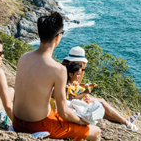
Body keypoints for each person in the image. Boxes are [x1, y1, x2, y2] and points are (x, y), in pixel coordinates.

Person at [13, 12, 101, 141]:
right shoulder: (58, 69)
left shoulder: (23, 58)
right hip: (38, 125)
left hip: (17, 122)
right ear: (58, 37)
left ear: (38, 35)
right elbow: (63, 112)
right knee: (96, 132)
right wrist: (82, 122)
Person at [63, 46, 140, 131]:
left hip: (75, 96)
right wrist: (83, 72)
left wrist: (88, 84)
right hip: (71, 100)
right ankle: (126, 123)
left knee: (101, 102)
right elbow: (71, 89)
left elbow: (76, 83)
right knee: (101, 101)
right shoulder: (67, 71)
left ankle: (124, 121)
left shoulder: (67, 67)